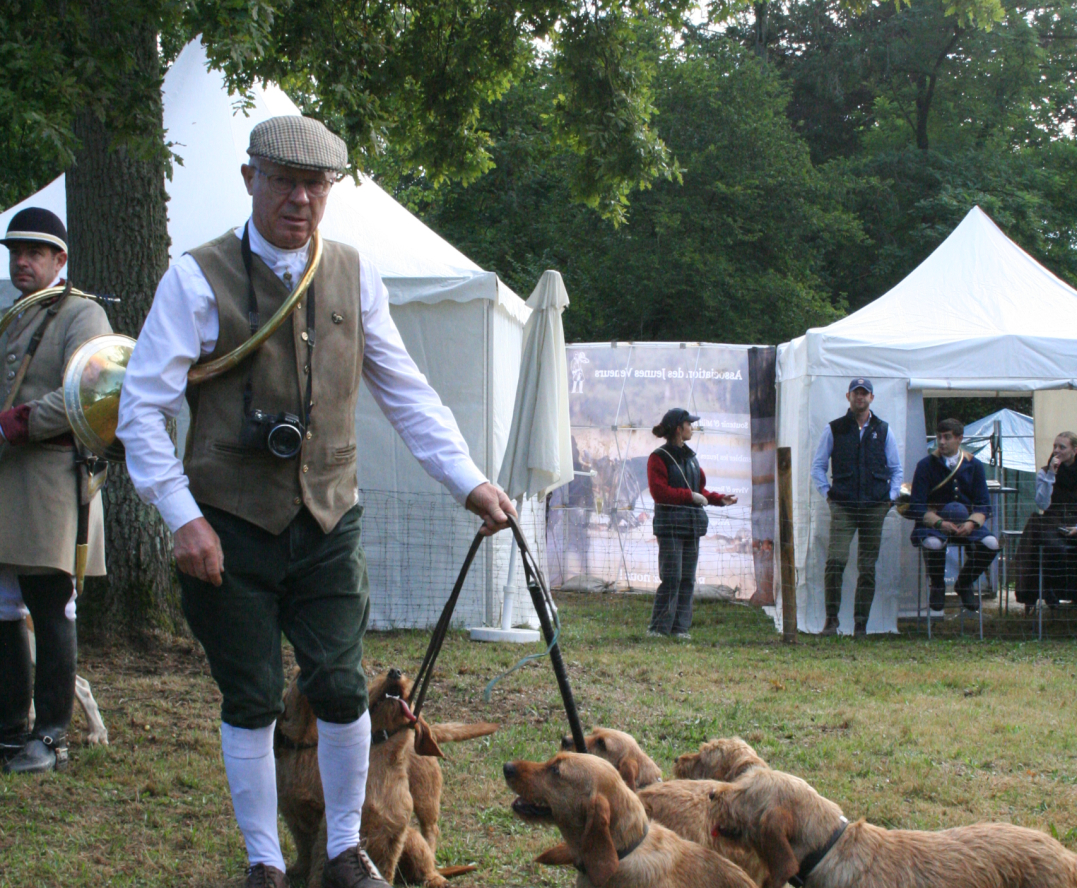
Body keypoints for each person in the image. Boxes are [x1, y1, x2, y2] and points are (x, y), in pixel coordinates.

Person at [116, 116, 515, 888]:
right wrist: (182, 517)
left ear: (329, 190)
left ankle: (342, 850)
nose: (299, 198)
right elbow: (140, 409)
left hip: (329, 517)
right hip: (225, 524)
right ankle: (264, 863)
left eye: (315, 184)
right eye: (283, 181)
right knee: (252, 696)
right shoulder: (196, 277)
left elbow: (405, 390)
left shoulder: (353, 273)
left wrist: (467, 480)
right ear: (250, 180)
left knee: (339, 685)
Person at [0, 208, 112, 774]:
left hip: (53, 478)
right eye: (15, 252)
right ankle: (8, 730)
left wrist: (14, 424)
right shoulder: (14, 316)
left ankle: (51, 735)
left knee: (50, 607)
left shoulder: (81, 313)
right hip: (7, 477)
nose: (22, 261)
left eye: (35, 253)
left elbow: (90, 390)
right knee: (3, 607)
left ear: (59, 259)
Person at [810, 378, 902, 636]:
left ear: (871, 398)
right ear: (848, 396)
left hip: (875, 507)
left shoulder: (884, 430)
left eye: (864, 393)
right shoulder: (834, 429)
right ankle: (831, 621)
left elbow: (896, 469)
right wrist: (828, 495)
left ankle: (861, 624)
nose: (860, 397)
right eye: (856, 393)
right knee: (835, 562)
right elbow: (818, 467)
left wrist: (890, 498)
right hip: (843, 506)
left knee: (867, 567)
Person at [646, 408, 737, 639]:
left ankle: (680, 629)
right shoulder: (658, 458)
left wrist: (719, 499)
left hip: (691, 526)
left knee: (687, 579)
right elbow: (659, 493)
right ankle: (658, 628)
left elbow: (699, 490)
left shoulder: (691, 459)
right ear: (679, 429)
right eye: (689, 424)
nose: (692, 428)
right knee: (672, 578)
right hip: (670, 527)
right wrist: (690, 497)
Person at [909, 418, 999, 613]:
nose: (941, 442)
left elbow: (984, 504)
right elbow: (916, 505)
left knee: (992, 544)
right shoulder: (925, 465)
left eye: (947, 437)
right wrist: (939, 523)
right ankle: (938, 585)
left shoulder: (974, 465)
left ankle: (964, 583)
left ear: (959, 439)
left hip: (966, 524)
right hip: (935, 525)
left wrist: (971, 523)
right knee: (933, 544)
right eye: (939, 437)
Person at [1014, 431, 1077, 609]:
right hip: (1052, 521)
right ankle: (1048, 590)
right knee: (1055, 548)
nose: (1056, 450)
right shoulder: (1044, 472)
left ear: (1074, 450)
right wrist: (1051, 475)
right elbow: (1042, 503)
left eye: (1062, 447)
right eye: (1055, 446)